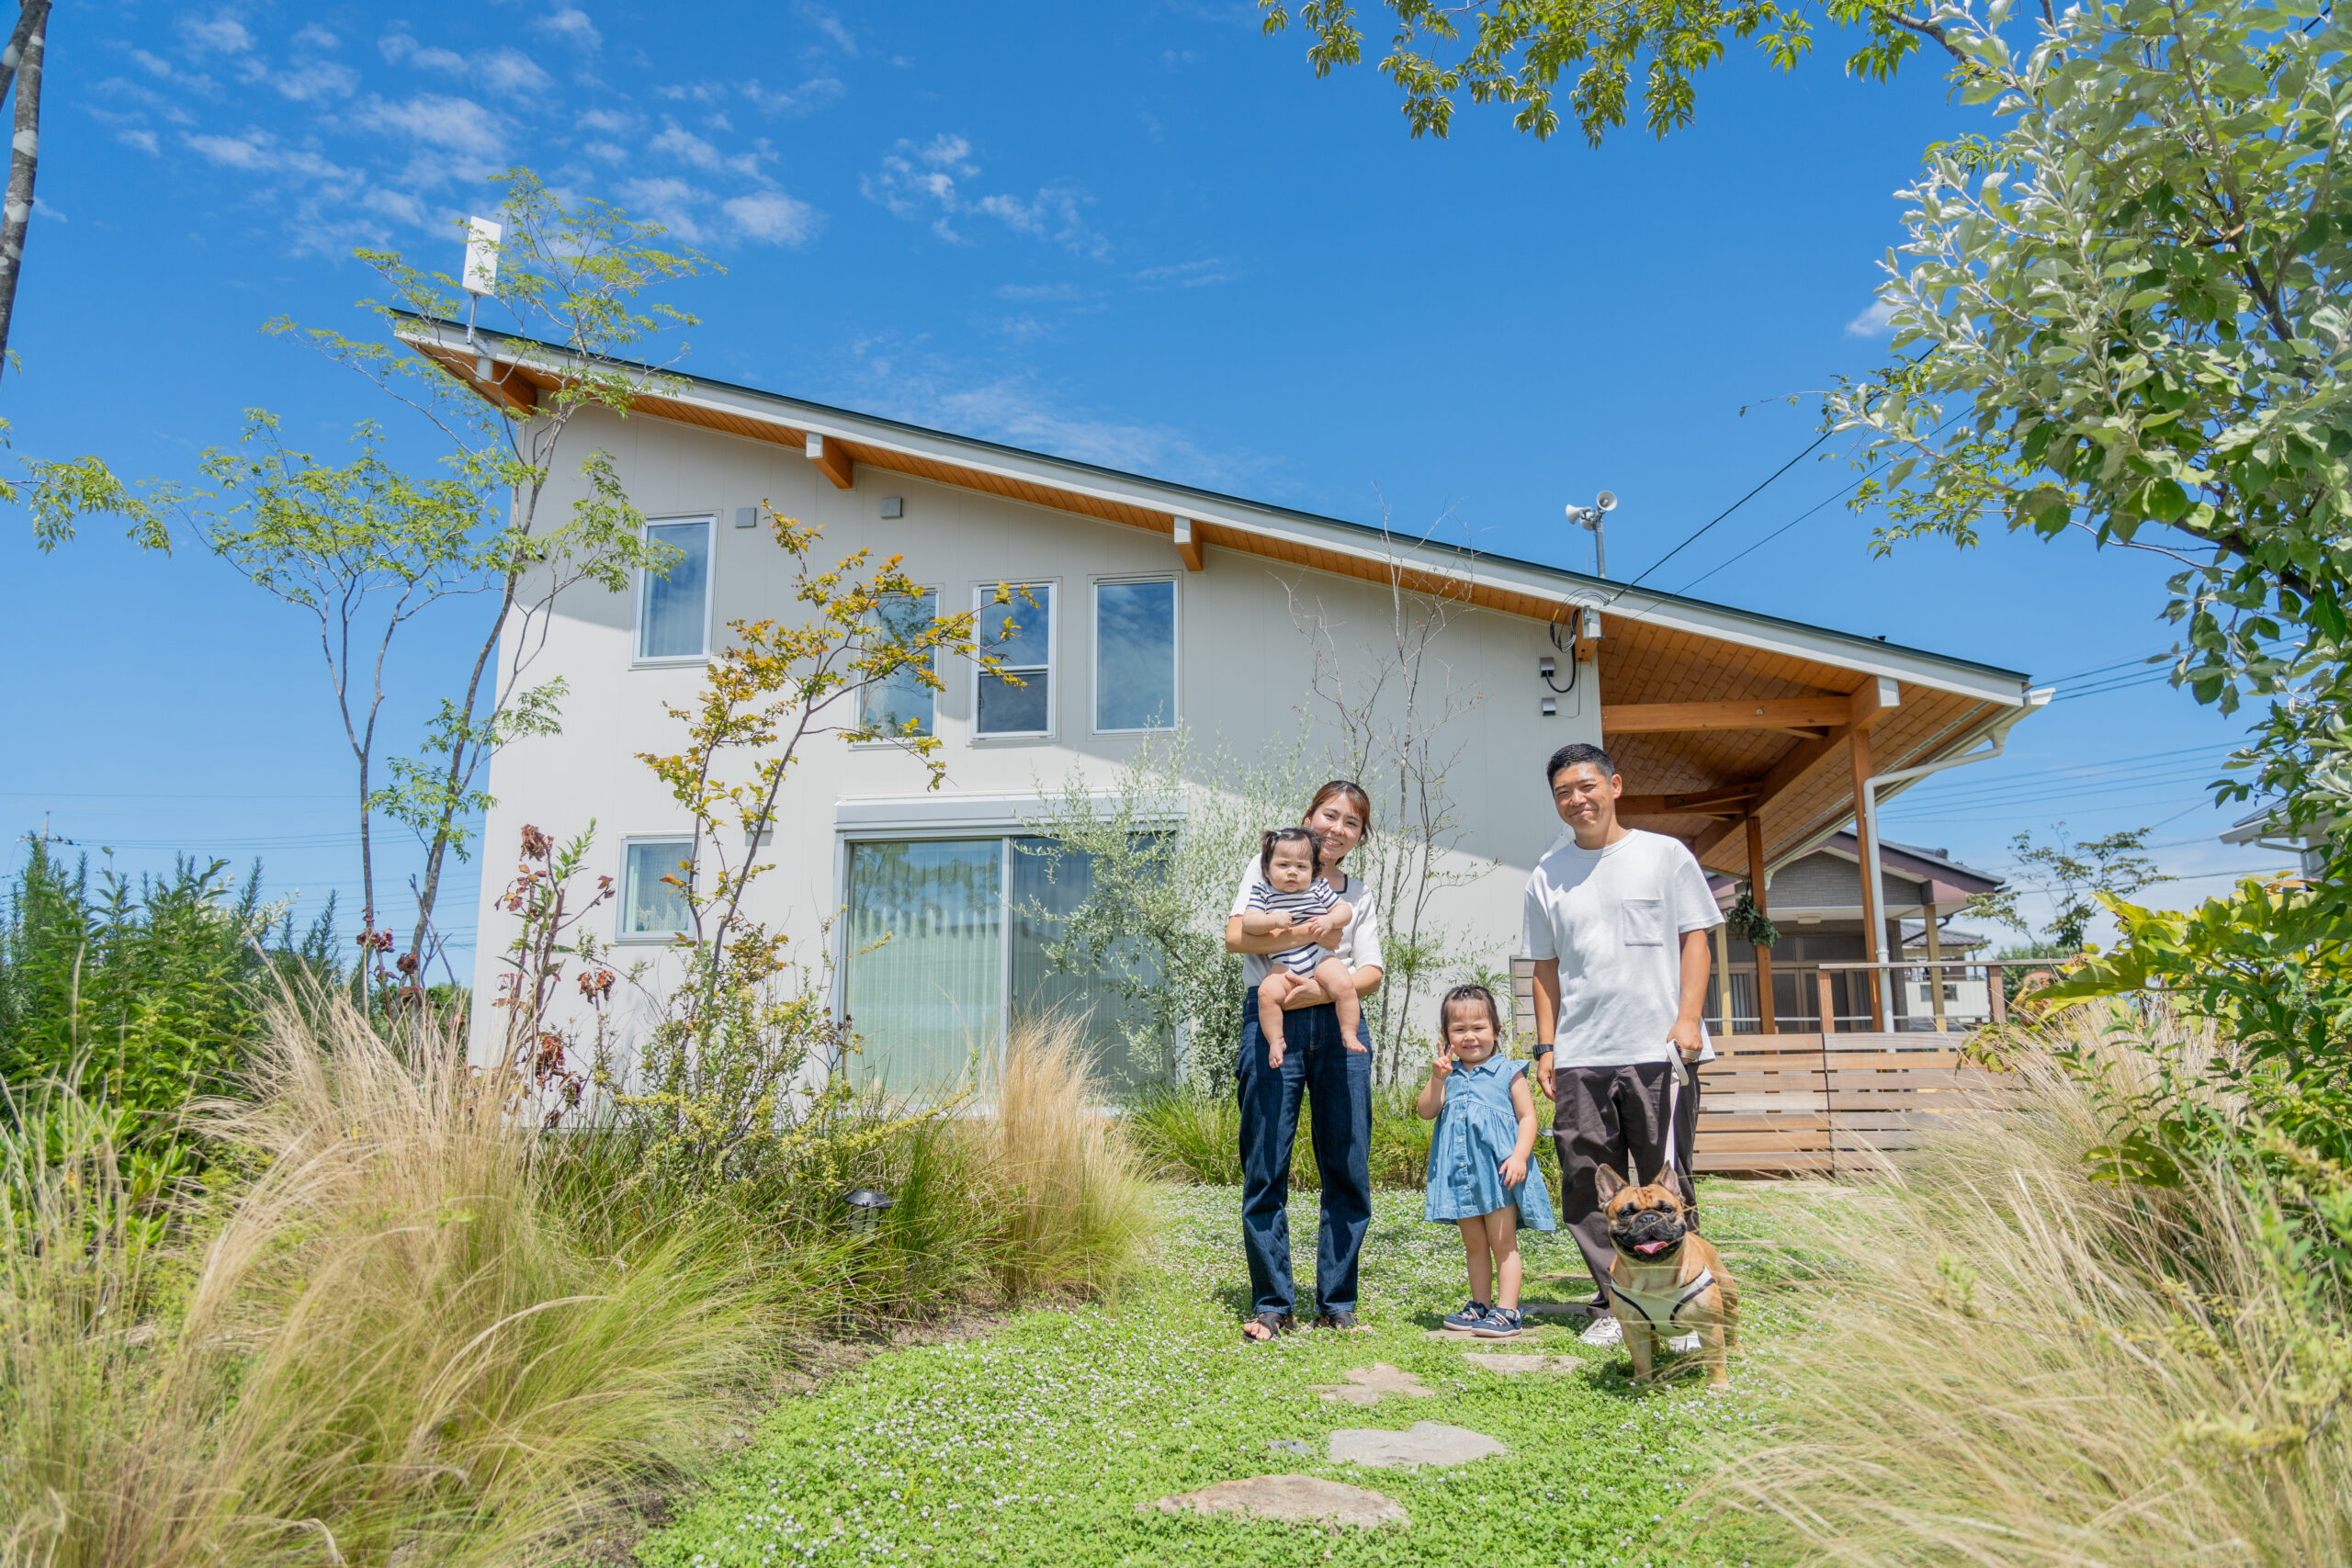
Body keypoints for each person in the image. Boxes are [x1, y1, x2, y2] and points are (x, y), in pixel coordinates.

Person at [1524, 741, 1723, 1334]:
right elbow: (1545, 966)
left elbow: (1696, 938)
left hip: (1659, 1050)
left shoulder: (1665, 856)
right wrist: (1546, 1045)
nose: (1576, 799)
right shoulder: (1548, 873)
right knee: (1588, 1183)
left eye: (1587, 786)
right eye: (1564, 792)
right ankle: (1619, 1301)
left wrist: (1689, 1018)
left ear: (1615, 786)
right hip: (1582, 1054)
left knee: (1668, 1183)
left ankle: (1682, 1301)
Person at [1229, 780, 1385, 1341]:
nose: (1336, 828)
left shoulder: (1357, 893)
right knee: (1266, 1162)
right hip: (1272, 1020)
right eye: (1329, 814)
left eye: (1350, 823)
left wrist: (1317, 990)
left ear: (1360, 836)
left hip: (1336, 1020)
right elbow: (1234, 938)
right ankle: (1272, 1303)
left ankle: (1337, 1301)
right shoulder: (1269, 867)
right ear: (1309, 815)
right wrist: (1299, 938)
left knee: (1347, 1165)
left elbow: (1369, 970)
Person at [1418, 982, 1555, 1339]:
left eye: (1479, 1028)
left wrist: (1521, 1156)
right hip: (1462, 1176)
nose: (1470, 1037)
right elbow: (1426, 1111)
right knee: (1474, 1245)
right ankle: (1479, 1304)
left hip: (1498, 1175)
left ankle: (1507, 1310)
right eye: (1459, 1030)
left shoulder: (1509, 1072)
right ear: (1446, 1035)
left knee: (1502, 1243)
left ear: (1496, 1030)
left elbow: (1528, 1118)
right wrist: (1437, 1077)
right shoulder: (1448, 1074)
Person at [1239, 827, 1361, 1069]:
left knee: (1345, 984)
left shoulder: (1318, 887)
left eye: (1301, 867)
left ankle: (1348, 1032)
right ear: (1267, 868)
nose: (1292, 872)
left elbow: (1345, 911)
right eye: (1283, 866)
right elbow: (1249, 922)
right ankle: (1275, 1041)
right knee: (1267, 994)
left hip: (1321, 957)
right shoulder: (1263, 891)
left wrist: (1329, 920)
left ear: (1313, 869)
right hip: (1284, 963)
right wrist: (1271, 920)